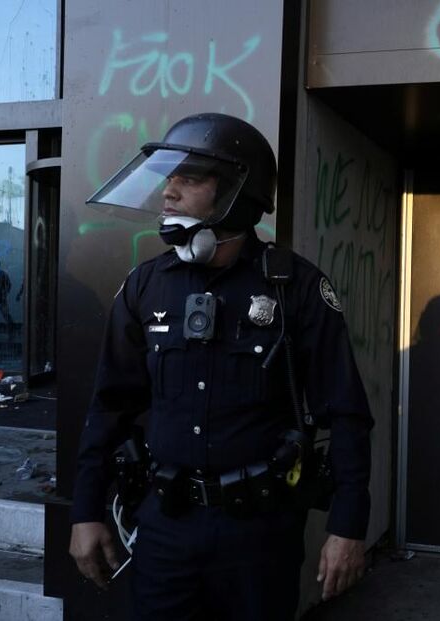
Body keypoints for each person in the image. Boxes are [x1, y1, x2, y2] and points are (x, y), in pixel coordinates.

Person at [68, 112, 372, 620]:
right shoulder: (146, 286)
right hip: (165, 528)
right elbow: (109, 408)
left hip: (260, 536)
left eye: (189, 179)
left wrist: (348, 525)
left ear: (236, 191)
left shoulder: (294, 288)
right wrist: (85, 511)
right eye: (169, 178)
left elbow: (346, 415)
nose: (169, 192)